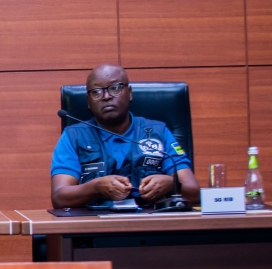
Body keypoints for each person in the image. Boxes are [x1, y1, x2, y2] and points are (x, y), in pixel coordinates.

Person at [51, 64, 200, 209]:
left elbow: (194, 193)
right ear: (88, 101)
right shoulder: (73, 136)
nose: (106, 97)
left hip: (154, 227)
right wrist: (95, 188)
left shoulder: (159, 132)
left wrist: (171, 184)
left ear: (129, 93)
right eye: (96, 92)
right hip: (93, 229)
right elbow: (59, 197)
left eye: (115, 88)